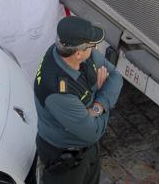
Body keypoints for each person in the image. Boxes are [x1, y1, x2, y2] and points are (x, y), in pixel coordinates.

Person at [33, 16, 122, 184]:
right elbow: (92, 132)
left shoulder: (67, 50)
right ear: (78, 53)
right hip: (65, 160)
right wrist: (102, 95)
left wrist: (97, 106)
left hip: (86, 151)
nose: (95, 49)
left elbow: (116, 77)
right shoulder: (58, 91)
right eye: (92, 46)